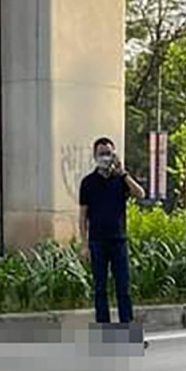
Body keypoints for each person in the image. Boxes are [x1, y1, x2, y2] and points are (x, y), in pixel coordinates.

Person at [79, 137, 146, 330]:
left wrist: (123, 173)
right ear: (94, 156)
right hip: (97, 241)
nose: (105, 157)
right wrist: (84, 245)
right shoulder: (88, 183)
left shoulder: (120, 180)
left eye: (108, 153)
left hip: (119, 241)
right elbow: (83, 216)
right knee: (100, 289)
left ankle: (127, 330)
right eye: (101, 153)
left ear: (114, 155)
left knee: (123, 288)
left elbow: (140, 194)